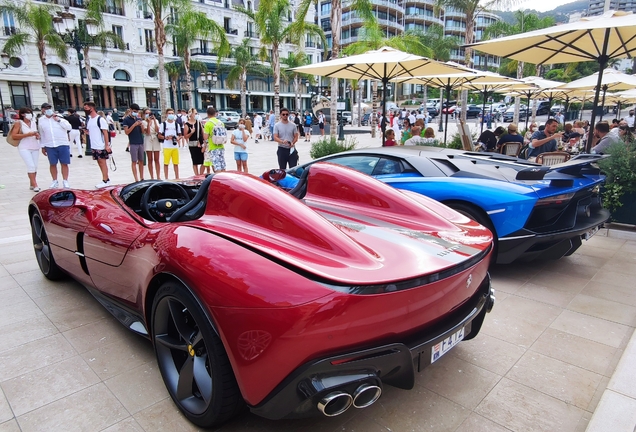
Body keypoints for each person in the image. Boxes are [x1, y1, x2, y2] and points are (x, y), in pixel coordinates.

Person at [38, 102, 72, 189]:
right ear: (42, 110)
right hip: (50, 145)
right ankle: (54, 180)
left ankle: (65, 180)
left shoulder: (59, 117)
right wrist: (43, 146)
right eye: (45, 108)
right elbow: (42, 133)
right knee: (52, 163)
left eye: (49, 108)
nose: (47, 110)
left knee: (64, 163)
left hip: (62, 143)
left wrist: (58, 120)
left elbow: (69, 127)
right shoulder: (41, 120)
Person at [10, 107, 41, 191]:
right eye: (27, 113)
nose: (29, 114)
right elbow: (14, 135)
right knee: (30, 166)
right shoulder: (19, 123)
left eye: (30, 112)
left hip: (35, 146)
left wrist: (37, 136)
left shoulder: (33, 122)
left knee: (35, 166)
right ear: (23, 114)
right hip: (24, 147)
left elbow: (36, 133)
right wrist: (27, 135)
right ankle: (35, 185)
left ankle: (32, 183)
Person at [84, 102, 111, 188]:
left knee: (102, 162)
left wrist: (106, 145)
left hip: (100, 144)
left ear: (91, 108)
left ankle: (105, 180)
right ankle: (106, 178)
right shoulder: (89, 120)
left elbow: (105, 133)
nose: (85, 110)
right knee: (99, 162)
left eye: (86, 108)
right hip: (94, 145)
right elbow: (91, 131)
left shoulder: (100, 119)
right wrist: (86, 132)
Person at [122, 103, 145, 182]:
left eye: (137, 111)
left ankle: (142, 177)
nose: (136, 113)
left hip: (140, 142)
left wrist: (141, 126)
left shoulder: (138, 119)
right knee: (134, 161)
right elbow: (127, 132)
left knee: (141, 160)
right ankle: (136, 179)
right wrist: (134, 125)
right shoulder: (126, 120)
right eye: (134, 111)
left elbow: (142, 132)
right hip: (133, 143)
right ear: (131, 110)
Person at [158, 108, 183, 179]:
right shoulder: (163, 124)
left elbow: (180, 135)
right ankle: (166, 178)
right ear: (166, 114)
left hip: (175, 147)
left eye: (172, 113)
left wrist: (178, 138)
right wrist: (166, 137)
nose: (171, 115)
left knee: (176, 163)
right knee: (166, 163)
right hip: (167, 146)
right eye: (169, 113)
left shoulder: (176, 124)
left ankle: (177, 177)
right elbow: (159, 135)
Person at [202, 106, 227, 173]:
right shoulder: (221, 122)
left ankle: (219, 180)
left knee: (216, 166)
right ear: (215, 113)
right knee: (222, 165)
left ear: (207, 114)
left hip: (213, 147)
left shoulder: (208, 123)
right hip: (221, 146)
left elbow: (205, 137)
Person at [184, 108, 205, 175]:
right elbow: (185, 136)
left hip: (200, 143)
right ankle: (196, 175)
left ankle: (201, 174)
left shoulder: (199, 122)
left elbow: (203, 132)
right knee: (195, 161)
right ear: (191, 114)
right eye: (195, 113)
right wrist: (191, 132)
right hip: (192, 144)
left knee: (203, 161)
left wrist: (205, 141)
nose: (196, 114)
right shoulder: (187, 124)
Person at [142, 108, 161, 180]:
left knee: (157, 159)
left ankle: (158, 176)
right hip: (148, 138)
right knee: (150, 159)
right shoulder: (144, 122)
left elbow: (157, 130)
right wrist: (149, 123)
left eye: (149, 113)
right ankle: (152, 176)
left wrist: (154, 121)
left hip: (155, 138)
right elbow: (147, 132)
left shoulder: (156, 121)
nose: (148, 115)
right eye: (146, 113)